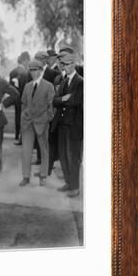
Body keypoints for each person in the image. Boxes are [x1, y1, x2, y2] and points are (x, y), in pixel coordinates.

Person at [19, 60, 55, 187]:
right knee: (26, 150)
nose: (33, 73)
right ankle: (26, 176)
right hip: (28, 122)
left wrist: (47, 118)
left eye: (36, 70)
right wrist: (24, 116)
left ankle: (43, 176)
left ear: (41, 70)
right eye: (31, 70)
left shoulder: (48, 86)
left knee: (44, 150)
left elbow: (52, 105)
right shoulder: (27, 86)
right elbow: (23, 102)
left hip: (42, 122)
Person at [52, 53, 84, 197]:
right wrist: (63, 99)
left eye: (69, 64)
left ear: (74, 64)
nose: (66, 66)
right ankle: (68, 182)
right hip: (62, 124)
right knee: (63, 156)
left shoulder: (81, 82)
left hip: (74, 126)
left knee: (74, 157)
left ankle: (75, 187)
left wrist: (62, 100)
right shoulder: (64, 81)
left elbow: (76, 102)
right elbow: (54, 100)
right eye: (64, 64)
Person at [9, 51, 30, 145]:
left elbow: (10, 87)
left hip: (16, 98)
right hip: (24, 98)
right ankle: (23, 136)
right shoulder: (27, 72)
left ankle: (17, 135)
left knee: (18, 116)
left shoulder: (12, 72)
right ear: (25, 60)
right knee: (25, 117)